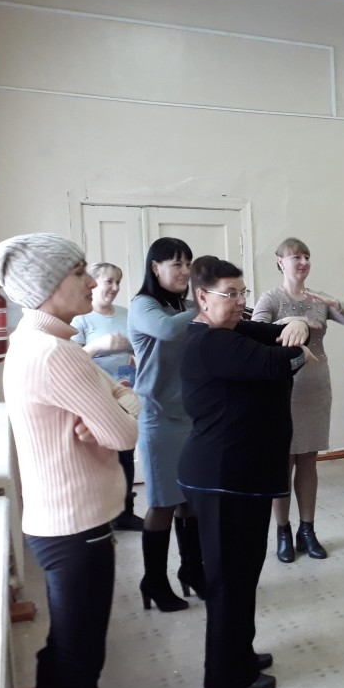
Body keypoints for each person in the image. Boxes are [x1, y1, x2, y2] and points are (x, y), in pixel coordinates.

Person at [0, 234, 139, 688]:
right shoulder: (56, 354)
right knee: (80, 657)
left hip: (62, 524)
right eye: (79, 274)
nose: (92, 283)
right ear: (48, 285)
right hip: (76, 528)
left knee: (69, 648)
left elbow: (123, 400)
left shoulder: (39, 342)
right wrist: (116, 410)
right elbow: (124, 434)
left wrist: (115, 407)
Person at [178, 256, 314, 688]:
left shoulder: (233, 331)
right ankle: (225, 676)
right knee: (229, 580)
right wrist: (297, 345)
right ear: (202, 297)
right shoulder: (211, 342)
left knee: (243, 573)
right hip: (222, 477)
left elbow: (281, 334)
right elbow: (281, 360)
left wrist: (298, 323)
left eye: (243, 292)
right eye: (230, 294)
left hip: (241, 475)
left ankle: (240, 652)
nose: (240, 302)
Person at [251, 238, 344, 563]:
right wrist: (293, 321)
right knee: (283, 464)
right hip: (282, 389)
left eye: (306, 256)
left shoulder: (317, 298)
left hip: (315, 388)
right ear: (280, 262)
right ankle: (283, 531)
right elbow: (255, 331)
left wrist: (334, 303)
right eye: (295, 257)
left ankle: (307, 530)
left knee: (308, 461)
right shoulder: (272, 297)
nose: (302, 262)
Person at [128, 237, 201, 612]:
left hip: (191, 415)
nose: (185, 271)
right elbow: (169, 330)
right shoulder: (143, 305)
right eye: (176, 264)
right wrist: (207, 306)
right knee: (162, 503)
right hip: (158, 417)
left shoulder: (186, 307)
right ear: (155, 268)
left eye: (188, 263)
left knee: (191, 499)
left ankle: (193, 570)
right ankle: (154, 580)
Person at [71, 262, 143, 532]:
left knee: (125, 453)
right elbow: (72, 359)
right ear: (92, 283)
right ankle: (98, 515)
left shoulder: (126, 314)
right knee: (97, 457)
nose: (114, 287)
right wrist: (99, 345)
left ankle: (125, 512)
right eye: (108, 281)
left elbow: (139, 350)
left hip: (126, 395)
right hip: (95, 396)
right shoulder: (81, 318)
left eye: (118, 282)